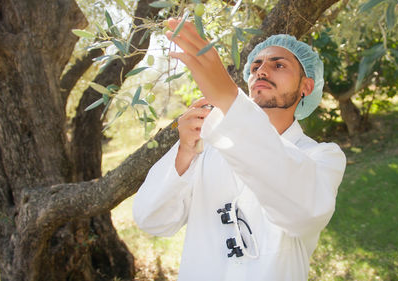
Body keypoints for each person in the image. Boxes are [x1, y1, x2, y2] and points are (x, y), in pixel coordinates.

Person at [133, 18, 346, 281]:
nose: (262, 70)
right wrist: (185, 153)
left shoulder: (323, 157)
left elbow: (304, 213)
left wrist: (227, 97)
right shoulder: (205, 145)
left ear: (306, 87)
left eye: (278, 64)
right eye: (256, 65)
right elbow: (151, 220)